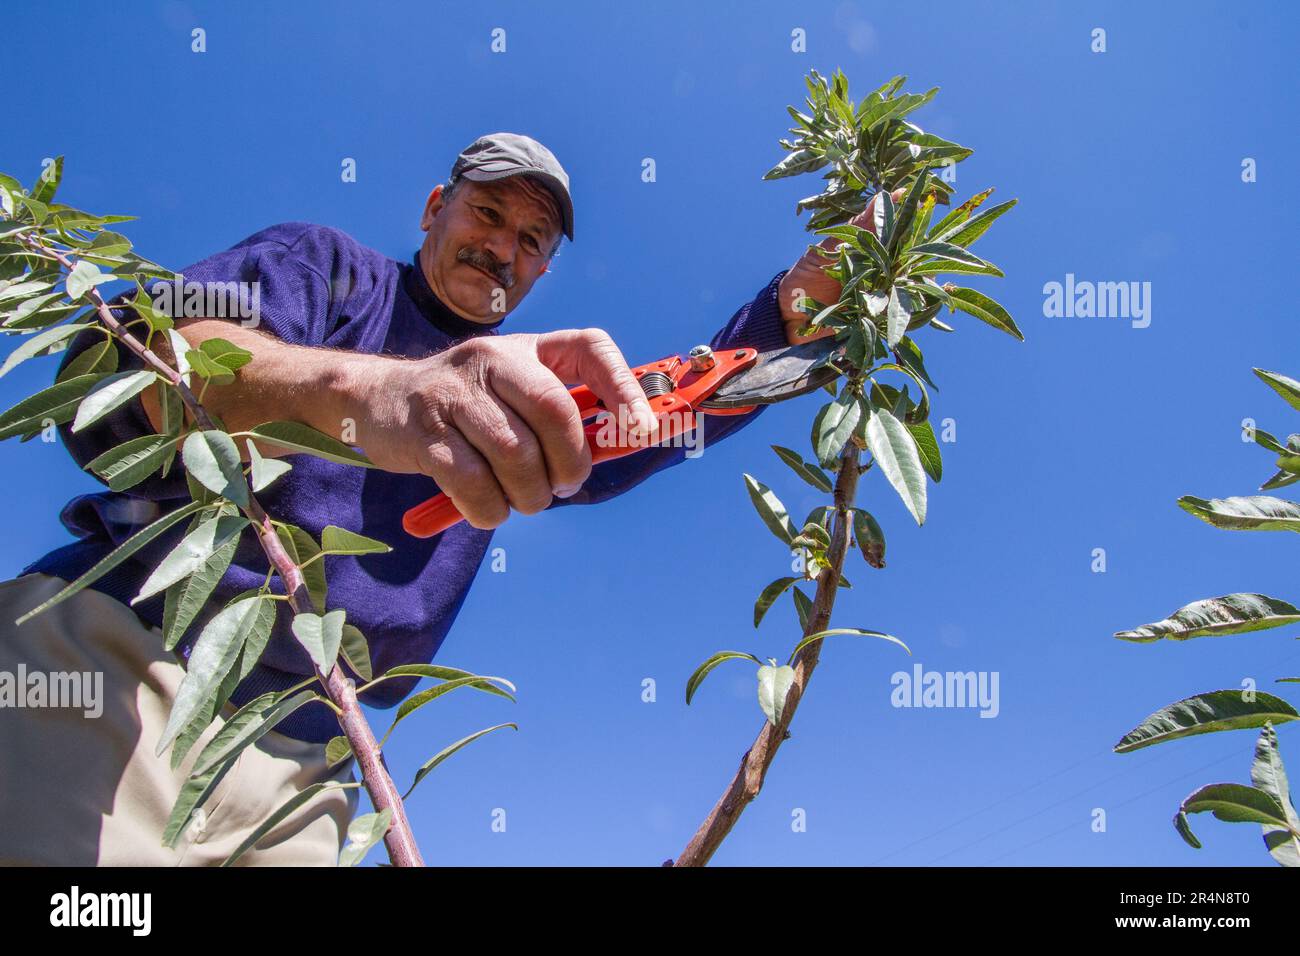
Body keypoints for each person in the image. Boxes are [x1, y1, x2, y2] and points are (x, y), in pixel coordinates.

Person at [0, 131, 883, 865]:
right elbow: (142, 351)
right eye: (488, 212)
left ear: (540, 275)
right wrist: (372, 400)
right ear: (434, 208)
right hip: (119, 668)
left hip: (311, 757)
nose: (503, 246)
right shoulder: (322, 265)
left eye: (532, 241)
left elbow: (662, 414)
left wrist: (788, 315)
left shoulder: (530, 407)